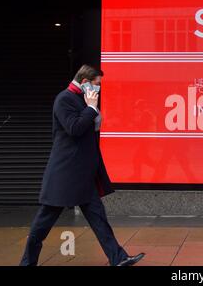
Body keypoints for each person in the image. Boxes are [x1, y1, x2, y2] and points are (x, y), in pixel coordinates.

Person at [19, 64, 144, 266]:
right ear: (85, 82)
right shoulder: (64, 99)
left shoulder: (81, 99)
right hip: (65, 175)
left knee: (99, 219)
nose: (99, 89)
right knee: (42, 224)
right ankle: (27, 263)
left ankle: (119, 258)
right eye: (97, 84)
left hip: (83, 175)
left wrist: (91, 110)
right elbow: (74, 128)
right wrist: (91, 108)